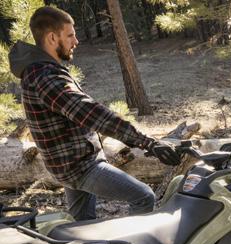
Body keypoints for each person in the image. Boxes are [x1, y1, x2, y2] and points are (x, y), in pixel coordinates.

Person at [8, 6, 180, 221]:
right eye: (70, 35)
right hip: (81, 167)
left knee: (83, 225)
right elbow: (90, 113)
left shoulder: (42, 70)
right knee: (143, 196)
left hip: (71, 163)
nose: (76, 41)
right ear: (52, 38)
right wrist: (147, 142)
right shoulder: (45, 77)